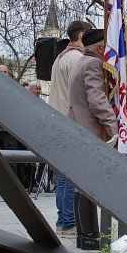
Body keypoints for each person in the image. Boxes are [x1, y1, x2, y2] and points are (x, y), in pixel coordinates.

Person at [67, 28, 118, 250]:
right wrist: (113, 126)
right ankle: (90, 237)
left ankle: (84, 236)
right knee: (87, 185)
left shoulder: (79, 62)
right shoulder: (93, 64)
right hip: (89, 130)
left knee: (81, 185)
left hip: (77, 127)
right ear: (99, 48)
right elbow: (96, 99)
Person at [49, 19, 93, 235]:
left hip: (58, 120)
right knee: (69, 177)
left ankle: (62, 220)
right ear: (82, 35)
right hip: (70, 121)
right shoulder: (77, 58)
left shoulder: (60, 58)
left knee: (63, 176)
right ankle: (68, 222)